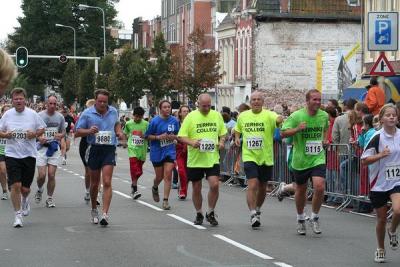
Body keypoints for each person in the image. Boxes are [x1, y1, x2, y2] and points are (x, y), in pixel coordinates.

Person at [281, 89, 329, 235]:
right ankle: (301, 218)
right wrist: (297, 129)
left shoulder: (324, 115)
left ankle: (314, 217)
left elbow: (325, 129)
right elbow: (283, 133)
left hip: (317, 157)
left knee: (319, 186)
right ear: (307, 101)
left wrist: (325, 140)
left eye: (319, 99)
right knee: (301, 190)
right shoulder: (297, 116)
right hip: (300, 160)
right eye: (314, 99)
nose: (318, 102)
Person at [75, 89, 124, 226]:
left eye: (105, 102)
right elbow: (77, 132)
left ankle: (105, 214)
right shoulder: (87, 113)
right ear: (95, 100)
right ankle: (93, 209)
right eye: (100, 101)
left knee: (107, 181)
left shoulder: (113, 111)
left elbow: (116, 124)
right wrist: (89, 131)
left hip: (109, 149)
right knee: (95, 183)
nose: (102, 104)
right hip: (94, 149)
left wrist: (119, 132)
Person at [234, 91, 283, 228]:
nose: (256, 102)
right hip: (249, 155)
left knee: (262, 187)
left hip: (266, 157)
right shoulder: (243, 116)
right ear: (250, 103)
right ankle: (252, 213)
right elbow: (238, 129)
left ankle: (258, 208)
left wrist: (280, 119)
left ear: (262, 102)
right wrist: (237, 138)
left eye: (258, 99)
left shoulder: (269, 114)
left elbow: (277, 119)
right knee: (253, 184)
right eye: (253, 100)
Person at [178, 94, 227, 226]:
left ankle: (210, 212)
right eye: (203, 106)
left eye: (208, 106)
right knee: (196, 187)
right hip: (195, 159)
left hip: (212, 158)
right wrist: (192, 142)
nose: (206, 108)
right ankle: (199, 213)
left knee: (214, 185)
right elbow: (181, 136)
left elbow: (223, 133)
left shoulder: (216, 115)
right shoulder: (191, 117)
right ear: (197, 104)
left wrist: (222, 141)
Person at [0, 88, 46, 227]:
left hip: (29, 154)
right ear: (12, 100)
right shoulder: (7, 114)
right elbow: (0, 131)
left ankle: (25, 200)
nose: (18, 101)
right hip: (12, 154)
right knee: (16, 185)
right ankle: (17, 215)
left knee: (25, 189)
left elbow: (42, 128)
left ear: (25, 100)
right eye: (16, 99)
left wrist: (34, 134)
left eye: (21, 98)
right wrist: (6, 135)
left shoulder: (33, 114)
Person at [361, 104, 400, 263]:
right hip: (378, 183)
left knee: (398, 210)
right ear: (382, 118)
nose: (391, 117)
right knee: (381, 219)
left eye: (394, 115)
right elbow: (364, 161)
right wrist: (381, 155)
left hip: (396, 181)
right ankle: (380, 248)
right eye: (388, 115)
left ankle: (392, 231)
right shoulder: (376, 137)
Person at [145, 100, 180, 210]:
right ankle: (155, 186)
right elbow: (147, 136)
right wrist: (158, 137)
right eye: (164, 107)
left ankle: (165, 201)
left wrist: (174, 138)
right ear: (160, 109)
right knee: (159, 177)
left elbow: (178, 135)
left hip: (169, 151)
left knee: (168, 174)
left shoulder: (174, 121)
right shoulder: (154, 121)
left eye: (169, 107)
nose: (167, 109)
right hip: (157, 151)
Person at [34, 95, 66, 208]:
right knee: (42, 175)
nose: (52, 106)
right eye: (50, 103)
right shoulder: (39, 116)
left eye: (54, 104)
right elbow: (34, 132)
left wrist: (60, 135)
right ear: (46, 104)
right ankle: (39, 189)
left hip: (54, 148)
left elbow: (63, 132)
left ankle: (49, 198)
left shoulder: (60, 117)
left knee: (51, 175)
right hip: (41, 148)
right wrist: (39, 138)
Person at [124, 106, 149, 200]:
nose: (137, 118)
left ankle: (133, 185)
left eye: (140, 117)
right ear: (133, 115)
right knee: (135, 169)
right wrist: (124, 141)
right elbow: (125, 133)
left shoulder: (146, 124)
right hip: (132, 149)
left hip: (142, 150)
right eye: (136, 116)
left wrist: (144, 136)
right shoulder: (128, 123)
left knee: (138, 172)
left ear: (142, 116)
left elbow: (150, 135)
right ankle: (135, 190)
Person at [77, 99, 95, 202]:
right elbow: (76, 132)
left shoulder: (102, 116)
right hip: (85, 144)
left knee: (97, 170)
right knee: (88, 170)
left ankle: (96, 193)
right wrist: (88, 131)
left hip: (98, 145)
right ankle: (88, 191)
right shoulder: (83, 116)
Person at [176, 105, 190, 199]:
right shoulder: (176, 123)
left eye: (187, 111)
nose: (186, 113)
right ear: (180, 113)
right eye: (184, 111)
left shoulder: (192, 123)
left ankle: (182, 187)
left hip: (190, 149)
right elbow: (173, 134)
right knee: (181, 170)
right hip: (179, 149)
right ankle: (183, 191)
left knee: (188, 172)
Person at [0, 105, 11, 200]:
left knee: (11, 170)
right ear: (2, 112)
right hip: (1, 149)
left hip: (12, 149)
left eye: (8, 111)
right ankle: (4, 190)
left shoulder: (14, 123)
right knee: (2, 170)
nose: (6, 113)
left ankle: (10, 181)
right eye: (5, 111)